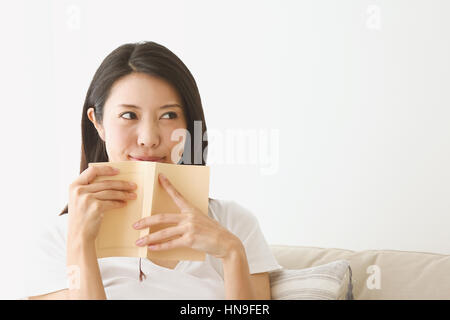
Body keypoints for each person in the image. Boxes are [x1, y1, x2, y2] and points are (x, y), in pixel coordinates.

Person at [24, 41, 282, 300]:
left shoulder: (233, 224)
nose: (149, 138)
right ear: (98, 123)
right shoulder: (57, 240)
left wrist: (231, 252)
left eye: (168, 115)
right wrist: (80, 242)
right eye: (129, 116)